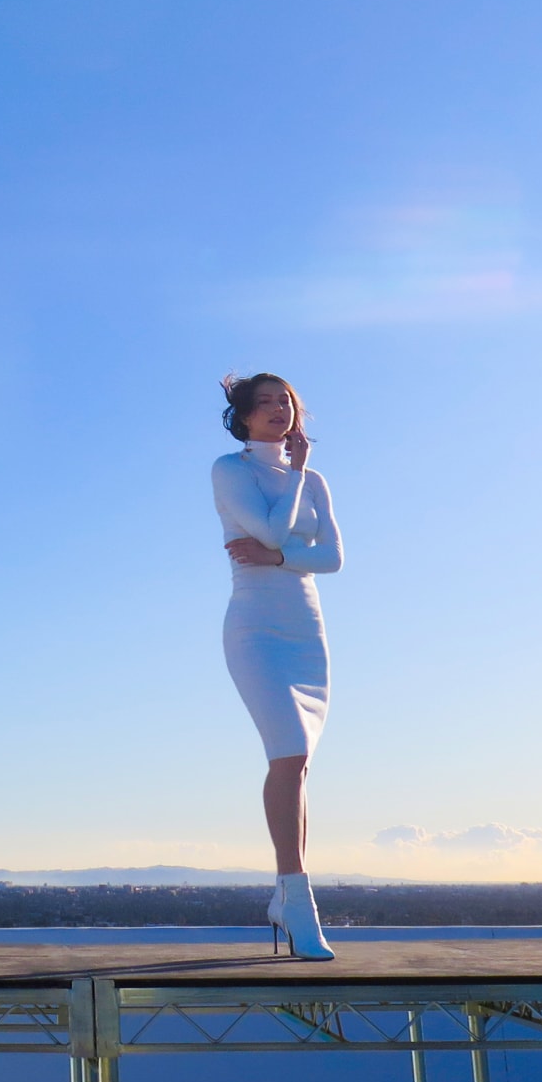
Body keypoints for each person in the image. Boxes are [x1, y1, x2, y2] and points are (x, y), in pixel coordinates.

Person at [213, 373, 343, 959]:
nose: (275, 409)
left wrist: (279, 557)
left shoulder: (313, 480)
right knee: (287, 754)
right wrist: (283, 544)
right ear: (242, 416)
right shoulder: (230, 470)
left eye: (284, 401)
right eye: (262, 402)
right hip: (255, 630)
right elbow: (267, 527)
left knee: (300, 763)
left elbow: (334, 558)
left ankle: (285, 897)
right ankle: (296, 898)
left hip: (306, 632)